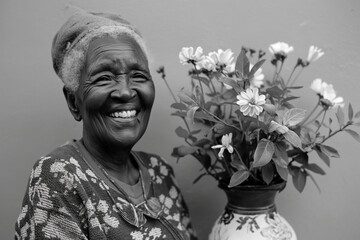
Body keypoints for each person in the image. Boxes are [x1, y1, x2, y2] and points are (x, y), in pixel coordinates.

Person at [15, 9, 197, 240]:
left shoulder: (159, 171)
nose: (125, 91)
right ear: (74, 101)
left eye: (138, 75)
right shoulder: (59, 175)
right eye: (103, 78)